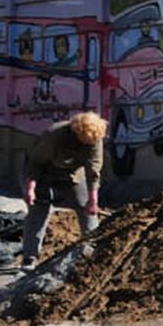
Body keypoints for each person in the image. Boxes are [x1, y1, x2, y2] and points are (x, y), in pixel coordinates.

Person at [21, 111, 108, 267]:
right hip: (42, 172)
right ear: (77, 132)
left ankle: (92, 248)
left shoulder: (94, 138)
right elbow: (35, 163)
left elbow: (93, 171)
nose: (90, 144)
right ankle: (30, 258)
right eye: (86, 141)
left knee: (86, 207)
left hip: (72, 173)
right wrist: (30, 189)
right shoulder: (54, 135)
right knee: (39, 209)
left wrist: (93, 201)